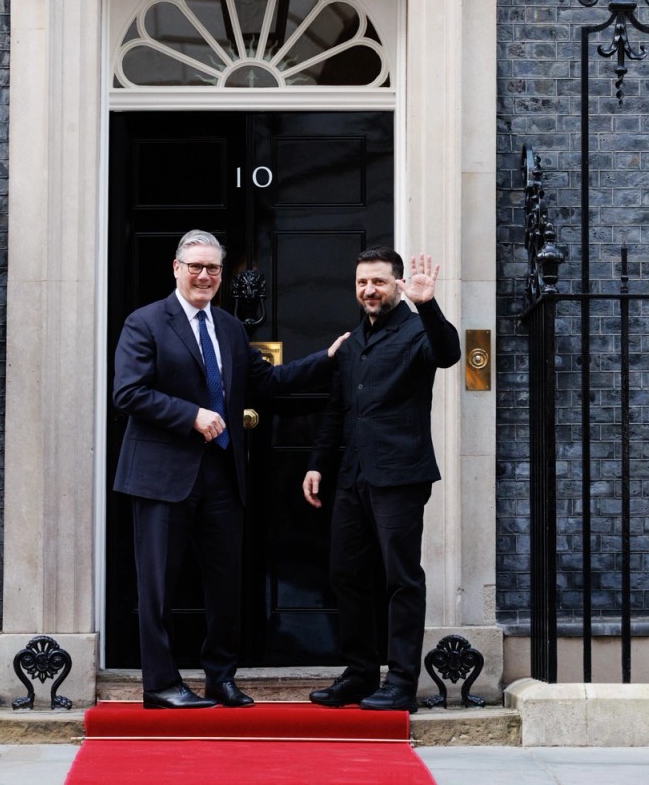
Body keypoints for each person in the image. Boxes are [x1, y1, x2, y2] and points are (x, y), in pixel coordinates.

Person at [113, 229, 343, 710]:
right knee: (157, 586)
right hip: (161, 477)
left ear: (221, 274)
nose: (203, 275)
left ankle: (221, 677)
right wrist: (190, 415)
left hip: (222, 477)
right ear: (176, 268)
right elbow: (128, 393)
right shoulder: (146, 322)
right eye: (194, 266)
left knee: (226, 585)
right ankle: (160, 684)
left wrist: (327, 360)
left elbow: (270, 382)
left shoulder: (231, 328)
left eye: (212, 268)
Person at [303, 248, 460, 712]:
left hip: (400, 477)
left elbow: (449, 354)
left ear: (397, 284)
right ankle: (359, 673)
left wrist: (427, 304)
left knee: (400, 579)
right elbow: (337, 409)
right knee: (346, 575)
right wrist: (317, 463)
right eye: (361, 283)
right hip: (352, 476)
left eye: (378, 282)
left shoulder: (417, 331)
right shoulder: (352, 342)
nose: (369, 290)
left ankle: (402, 683)